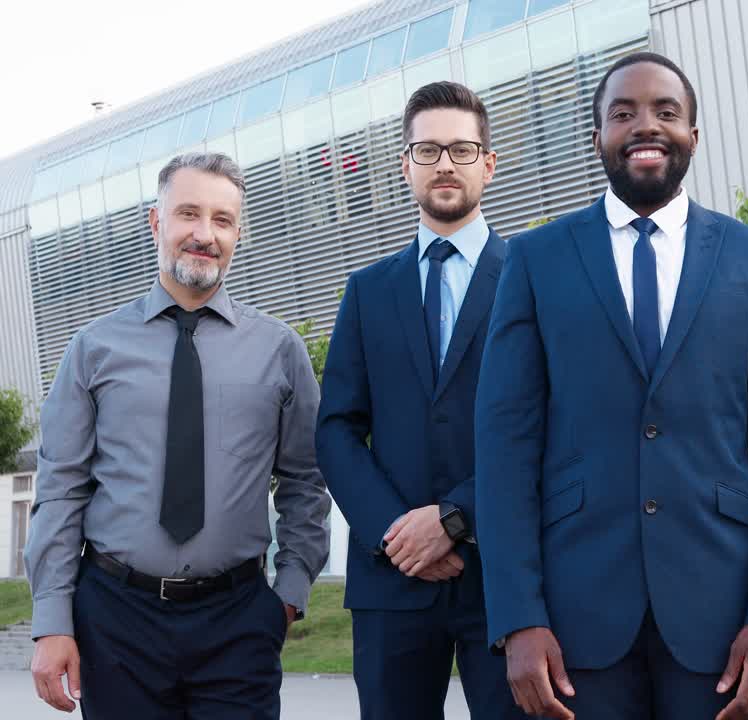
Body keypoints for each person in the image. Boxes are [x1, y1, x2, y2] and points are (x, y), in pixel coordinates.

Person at [474, 51, 748, 720]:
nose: (645, 127)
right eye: (623, 113)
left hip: (721, 620)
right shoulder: (535, 259)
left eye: (667, 112)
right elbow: (504, 447)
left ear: (695, 132)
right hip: (575, 623)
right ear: (596, 135)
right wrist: (518, 618)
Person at [26, 152, 331, 717]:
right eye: (188, 213)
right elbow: (61, 489)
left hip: (239, 620)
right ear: (156, 222)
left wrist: (287, 595)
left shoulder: (280, 350)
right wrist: (51, 621)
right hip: (116, 620)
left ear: (238, 233)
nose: (204, 234)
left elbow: (306, 481)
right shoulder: (93, 349)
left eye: (222, 219)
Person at [316, 81, 520, 720]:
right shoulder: (366, 290)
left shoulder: (533, 279)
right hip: (391, 579)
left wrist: (455, 519)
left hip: (507, 577)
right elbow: (336, 430)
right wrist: (394, 534)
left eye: (461, 150)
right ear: (405, 165)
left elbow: (555, 427)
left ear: (488, 162)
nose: (445, 165)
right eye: (427, 151)